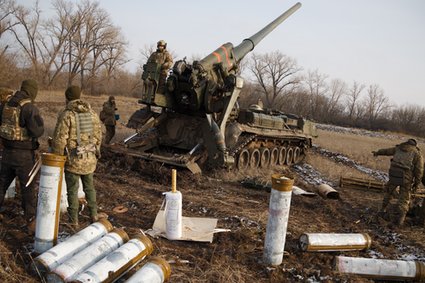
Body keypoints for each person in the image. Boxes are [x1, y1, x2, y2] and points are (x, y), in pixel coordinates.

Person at [51, 85, 102, 226]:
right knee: (89, 188)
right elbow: (98, 136)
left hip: (73, 160)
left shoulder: (67, 114)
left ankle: (74, 222)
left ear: (67, 97)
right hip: (90, 159)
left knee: (72, 191)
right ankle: (94, 215)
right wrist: (95, 153)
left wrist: (57, 158)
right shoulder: (92, 113)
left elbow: (60, 139)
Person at [0, 79, 44, 232]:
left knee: (2, 184)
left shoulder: (5, 104)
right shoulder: (29, 107)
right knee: (28, 189)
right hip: (24, 155)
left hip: (6, 152)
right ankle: (31, 221)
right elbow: (38, 131)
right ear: (32, 91)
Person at [372, 138, 423, 226]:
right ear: (415, 145)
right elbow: (419, 170)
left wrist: (377, 152)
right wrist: (416, 183)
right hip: (406, 178)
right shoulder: (417, 154)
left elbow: (387, 151)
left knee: (388, 193)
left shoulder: (398, 148)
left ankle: (382, 210)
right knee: (404, 200)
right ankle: (400, 220)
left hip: (393, 175)